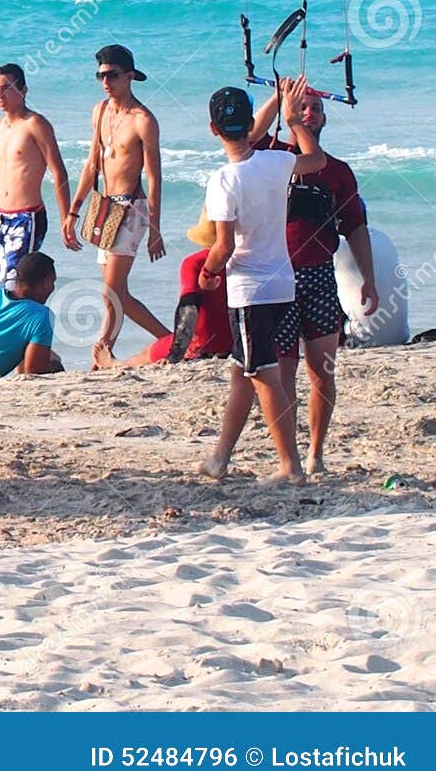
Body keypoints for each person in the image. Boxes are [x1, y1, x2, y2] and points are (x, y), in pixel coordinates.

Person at [196, 78, 327, 485]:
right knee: (244, 370)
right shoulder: (274, 162)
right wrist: (292, 119)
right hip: (281, 285)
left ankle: (290, 466)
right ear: (251, 123)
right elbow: (316, 160)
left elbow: (223, 245)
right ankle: (220, 458)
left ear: (213, 129)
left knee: (264, 376)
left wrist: (207, 273)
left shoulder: (223, 179)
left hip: (249, 290)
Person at [248, 78, 378, 473]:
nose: (309, 114)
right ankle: (290, 460)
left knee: (322, 371)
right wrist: (278, 97)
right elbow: (248, 137)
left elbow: (355, 227)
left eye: (316, 110)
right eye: (303, 109)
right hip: (277, 277)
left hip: (319, 277)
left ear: (324, 119)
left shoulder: (337, 172)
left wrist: (368, 279)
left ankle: (316, 453)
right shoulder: (271, 157)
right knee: (282, 371)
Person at [68, 44, 169, 367]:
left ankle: (105, 351)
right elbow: (91, 165)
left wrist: (155, 227)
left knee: (110, 292)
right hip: (104, 209)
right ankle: (169, 341)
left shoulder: (143, 120)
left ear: (129, 77)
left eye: (111, 75)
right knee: (118, 294)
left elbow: (154, 177)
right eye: (100, 76)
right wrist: (73, 211)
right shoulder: (100, 111)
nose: (105, 81)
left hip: (131, 209)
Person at [0, 63, 81, 288]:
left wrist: (66, 219)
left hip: (28, 217)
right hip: (2, 217)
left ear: (23, 90)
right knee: (3, 283)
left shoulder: (35, 124)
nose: (0, 94)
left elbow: (59, 172)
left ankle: (33, 321)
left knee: (15, 284)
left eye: (6, 88)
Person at [94, 210, 233, 368]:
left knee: (149, 352)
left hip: (202, 346)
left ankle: (115, 364)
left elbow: (189, 308)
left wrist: (175, 354)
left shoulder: (194, 263)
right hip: (237, 345)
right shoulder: (250, 262)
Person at [0, 252, 63, 378]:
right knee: (55, 363)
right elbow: (34, 372)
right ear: (46, 282)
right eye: (53, 282)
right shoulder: (41, 316)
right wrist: (55, 365)